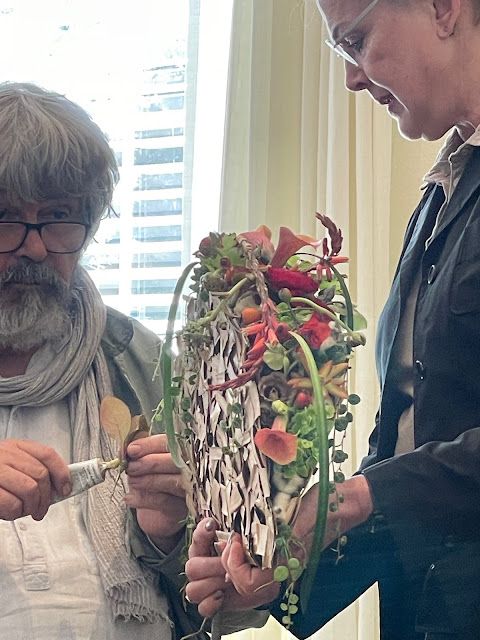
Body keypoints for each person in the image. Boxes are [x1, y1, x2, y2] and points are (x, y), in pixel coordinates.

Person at [184, 0, 480, 638]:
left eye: (357, 40)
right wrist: (278, 578)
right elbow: (406, 446)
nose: (350, 77)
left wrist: (358, 499)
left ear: (442, 9)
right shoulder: (444, 191)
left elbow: (392, 487)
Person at [0, 81, 268, 640]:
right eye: (5, 216)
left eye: (58, 216)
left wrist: (168, 536)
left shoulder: (143, 362)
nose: (35, 246)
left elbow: (235, 605)